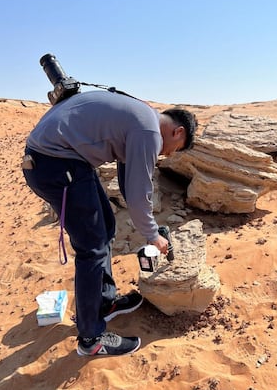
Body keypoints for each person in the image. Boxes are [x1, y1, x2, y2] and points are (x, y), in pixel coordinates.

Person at [22, 89, 197, 357]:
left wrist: (148, 224)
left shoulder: (141, 116)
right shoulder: (149, 132)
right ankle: (92, 339)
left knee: (105, 226)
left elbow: (130, 185)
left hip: (60, 160)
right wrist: (152, 235)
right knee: (92, 248)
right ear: (178, 132)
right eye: (175, 151)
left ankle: (104, 303)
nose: (168, 155)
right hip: (55, 164)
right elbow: (139, 193)